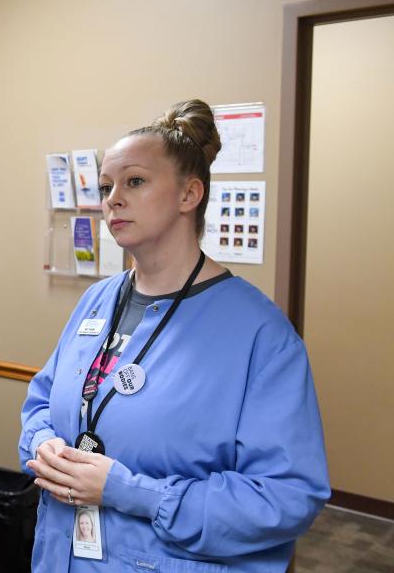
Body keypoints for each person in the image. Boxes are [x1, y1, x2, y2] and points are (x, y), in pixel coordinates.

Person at [20, 99, 330, 572]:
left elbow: (285, 497)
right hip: (63, 553)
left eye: (135, 182)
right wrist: (42, 443)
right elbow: (41, 401)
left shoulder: (260, 335)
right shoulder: (97, 302)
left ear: (190, 195)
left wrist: (130, 492)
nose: (112, 199)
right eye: (106, 186)